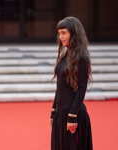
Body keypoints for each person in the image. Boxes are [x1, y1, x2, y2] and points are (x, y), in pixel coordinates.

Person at [50, 16, 93, 150]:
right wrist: (53, 111)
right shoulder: (65, 55)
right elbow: (60, 87)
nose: (60, 37)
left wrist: (72, 116)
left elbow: (81, 89)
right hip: (60, 114)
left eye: (64, 33)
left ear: (73, 33)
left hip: (72, 114)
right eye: (59, 33)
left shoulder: (82, 58)